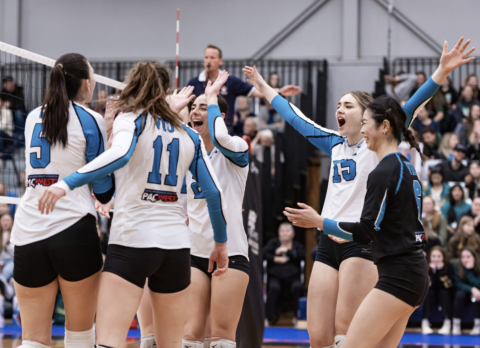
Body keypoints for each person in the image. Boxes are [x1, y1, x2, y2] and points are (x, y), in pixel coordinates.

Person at [245, 36, 474, 348]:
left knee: (346, 334)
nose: (339, 109)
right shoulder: (334, 144)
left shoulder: (378, 144)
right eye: (338, 105)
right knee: (319, 337)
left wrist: (441, 72)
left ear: (368, 117)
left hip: (360, 241)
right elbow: (294, 118)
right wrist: (265, 88)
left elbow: (413, 102)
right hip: (328, 241)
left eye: (348, 105)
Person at [38, 62, 229, 348]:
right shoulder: (189, 134)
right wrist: (221, 244)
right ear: (165, 91)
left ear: (134, 86)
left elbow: (122, 154)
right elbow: (213, 193)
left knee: (110, 339)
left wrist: (66, 183)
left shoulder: (132, 119)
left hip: (132, 242)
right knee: (171, 343)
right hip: (175, 247)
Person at [294, 92, 434, 348]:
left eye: (366, 123)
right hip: (410, 269)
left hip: (397, 273)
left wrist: (320, 221)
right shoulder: (404, 165)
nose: (364, 130)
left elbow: (366, 230)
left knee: (349, 343)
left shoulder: (383, 170)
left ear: (384, 125)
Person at [10, 53, 115, 348]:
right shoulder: (91, 119)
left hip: (28, 232)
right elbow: (103, 188)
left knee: (33, 339)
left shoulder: (32, 117)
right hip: (73, 231)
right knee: (80, 336)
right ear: (85, 83)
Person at [179, 71, 249, 348]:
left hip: (230, 253)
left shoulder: (236, 149)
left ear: (218, 115)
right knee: (190, 335)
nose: (196, 111)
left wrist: (211, 96)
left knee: (220, 338)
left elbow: (220, 135)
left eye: (203, 107)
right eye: (193, 107)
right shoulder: (186, 154)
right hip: (195, 252)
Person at [187, 45, 300, 132]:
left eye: (212, 57)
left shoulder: (230, 81)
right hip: (200, 130)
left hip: (225, 129)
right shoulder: (194, 82)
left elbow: (255, 91)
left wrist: (279, 91)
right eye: (206, 57)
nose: (208, 60)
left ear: (220, 61)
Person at [263, 222, 304, 325]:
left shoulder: (297, 245)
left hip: (293, 277)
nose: (285, 233)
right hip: (275, 276)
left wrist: (288, 251)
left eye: (287, 231)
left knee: (297, 287)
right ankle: (269, 317)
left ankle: (298, 316)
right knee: (273, 288)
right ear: (278, 233)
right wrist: (275, 258)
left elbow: (301, 255)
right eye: (282, 231)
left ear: (292, 234)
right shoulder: (273, 244)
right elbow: (263, 253)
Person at [421, 246, 454, 335]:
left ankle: (447, 323)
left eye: (439, 256)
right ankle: (425, 322)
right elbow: (428, 285)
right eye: (434, 256)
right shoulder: (425, 266)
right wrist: (433, 271)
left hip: (444, 293)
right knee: (428, 292)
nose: (436, 259)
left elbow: (448, 286)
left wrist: (439, 271)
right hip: (431, 293)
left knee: (444, 292)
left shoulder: (448, 266)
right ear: (430, 257)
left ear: (443, 257)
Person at [452, 246, 480, 335]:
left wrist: (469, 270)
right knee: (460, 294)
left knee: (476, 296)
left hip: (477, 293)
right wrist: (472, 289)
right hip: (463, 291)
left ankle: (477, 325)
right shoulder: (457, 265)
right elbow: (458, 283)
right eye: (463, 257)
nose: (465, 259)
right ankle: (456, 324)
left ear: (474, 257)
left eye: (468, 257)